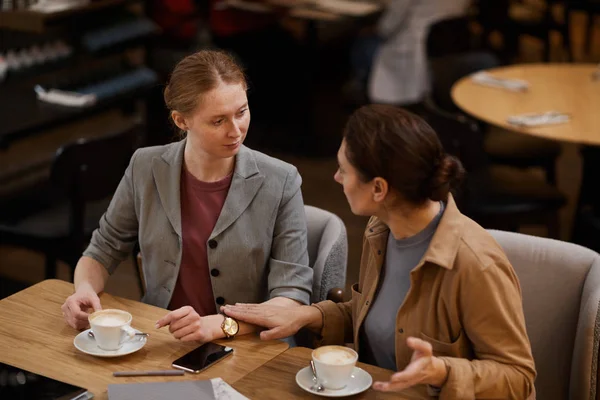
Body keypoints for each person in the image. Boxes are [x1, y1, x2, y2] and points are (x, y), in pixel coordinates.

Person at [222, 105, 537, 398]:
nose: (336, 178)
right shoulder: (382, 229)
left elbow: (518, 377)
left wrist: (442, 371)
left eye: (344, 170)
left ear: (378, 189)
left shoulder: (475, 264)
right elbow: (374, 315)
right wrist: (308, 315)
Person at [61, 50, 313, 344]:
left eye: (241, 112)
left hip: (249, 345)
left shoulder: (282, 180)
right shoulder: (145, 166)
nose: (236, 131)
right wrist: (84, 289)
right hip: (163, 341)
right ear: (181, 121)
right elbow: (103, 248)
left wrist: (220, 326)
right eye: (218, 121)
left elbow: (291, 298)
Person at [367, 0, 471, 105]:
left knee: (363, 44)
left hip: (411, 44)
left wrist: (375, 30)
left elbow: (388, 26)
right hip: (447, 47)